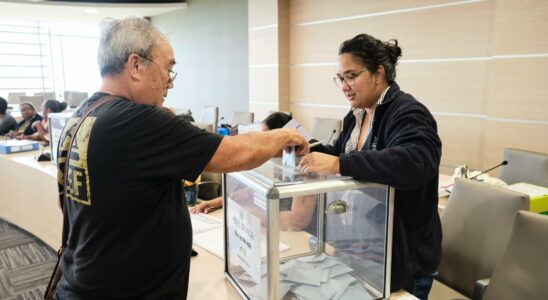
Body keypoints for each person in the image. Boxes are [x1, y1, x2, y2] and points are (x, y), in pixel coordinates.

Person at [54, 17, 307, 299]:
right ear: (136, 65)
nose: (170, 83)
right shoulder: (135, 121)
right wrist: (286, 136)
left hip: (86, 281)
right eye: (169, 69)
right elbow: (236, 154)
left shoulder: (81, 117)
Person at [298, 33, 442, 300]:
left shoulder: (407, 111)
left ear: (378, 74)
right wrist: (310, 151)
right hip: (363, 251)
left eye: (351, 76)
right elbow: (341, 153)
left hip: (402, 260)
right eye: (341, 78)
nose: (344, 86)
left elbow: (415, 161)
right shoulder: (358, 114)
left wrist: (340, 163)